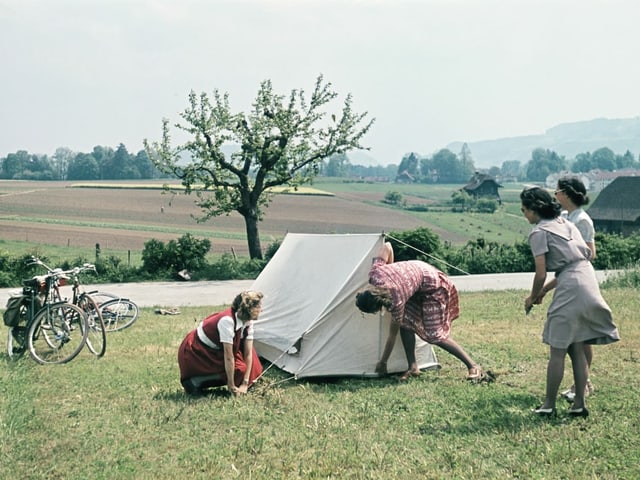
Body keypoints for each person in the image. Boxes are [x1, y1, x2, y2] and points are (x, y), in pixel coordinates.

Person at [521, 186, 619, 417]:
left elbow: (541, 272)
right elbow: (576, 261)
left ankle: (548, 405)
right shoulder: (567, 224)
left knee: (558, 349)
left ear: (535, 210)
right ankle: (579, 403)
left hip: (570, 287)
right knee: (577, 345)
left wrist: (533, 296)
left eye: (525, 210)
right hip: (587, 280)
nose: (524, 214)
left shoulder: (538, 232)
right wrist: (544, 292)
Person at [355, 240, 484, 382]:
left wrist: (383, 362)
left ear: (379, 306)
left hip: (432, 285)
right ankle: (413, 367)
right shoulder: (375, 274)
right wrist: (393, 270)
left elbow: (392, 335)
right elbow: (388, 246)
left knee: (434, 335)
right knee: (406, 323)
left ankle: (473, 366)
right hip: (416, 275)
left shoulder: (396, 301)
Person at [550, 176, 597, 401]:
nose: (555, 195)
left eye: (557, 191)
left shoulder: (582, 220)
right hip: (567, 278)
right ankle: (583, 383)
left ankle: (584, 384)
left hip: (578, 279)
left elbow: (590, 252)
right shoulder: (565, 217)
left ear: (567, 194)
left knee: (582, 337)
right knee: (577, 336)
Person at [178, 290, 264, 396]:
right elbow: (229, 357)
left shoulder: (248, 321)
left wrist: (245, 383)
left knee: (254, 365)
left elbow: (248, 353)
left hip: (217, 349)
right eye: (258, 307)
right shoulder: (227, 321)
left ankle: (240, 380)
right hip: (198, 351)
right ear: (249, 309)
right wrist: (231, 386)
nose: (261, 310)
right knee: (239, 369)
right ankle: (196, 381)